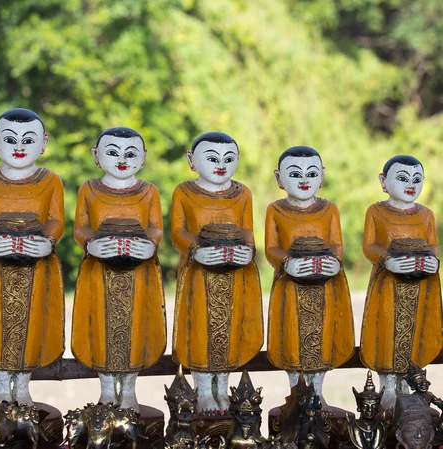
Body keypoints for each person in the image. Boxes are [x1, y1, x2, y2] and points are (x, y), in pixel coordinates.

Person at [0, 108, 64, 405]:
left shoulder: (51, 181)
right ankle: (0, 388)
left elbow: (56, 220)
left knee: (32, 324)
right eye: (10, 139)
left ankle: (22, 388)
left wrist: (48, 241)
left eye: (28, 140)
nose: (19, 147)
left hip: (36, 264)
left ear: (43, 143)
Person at [71, 127, 166, 411]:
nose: (122, 159)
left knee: (136, 328)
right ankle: (106, 391)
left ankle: (129, 392)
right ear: (96, 156)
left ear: (143, 158)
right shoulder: (89, 189)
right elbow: (81, 227)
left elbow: (156, 228)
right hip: (99, 274)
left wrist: (150, 245)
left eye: (130, 153)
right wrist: (89, 243)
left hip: (139, 273)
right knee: (99, 329)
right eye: (112, 152)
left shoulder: (149, 191)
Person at [171, 132, 262, 413]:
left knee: (230, 329)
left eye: (229, 158)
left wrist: (248, 249)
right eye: (211, 158)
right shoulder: (184, 192)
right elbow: (178, 232)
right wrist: (196, 249)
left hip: (234, 273)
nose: (221, 165)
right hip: (200, 274)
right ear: (192, 160)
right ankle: (202, 391)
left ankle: (222, 389)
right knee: (200, 328)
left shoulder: (242, 193)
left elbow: (247, 229)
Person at [265, 146, 354, 402]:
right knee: (292, 339)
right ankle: (296, 392)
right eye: (295, 174)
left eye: (312, 173)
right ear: (279, 178)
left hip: (324, 284)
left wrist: (335, 261)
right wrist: (286, 263)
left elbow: (336, 243)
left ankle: (317, 392)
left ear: (322, 175)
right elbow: (271, 248)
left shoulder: (329, 209)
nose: (304, 180)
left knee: (323, 338)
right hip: (291, 286)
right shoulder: (276, 210)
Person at [360, 155, 442, 412]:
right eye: (403, 179)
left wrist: (432, 262)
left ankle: (409, 388)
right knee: (387, 334)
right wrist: (387, 260)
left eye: (417, 180)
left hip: (419, 287)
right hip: (389, 287)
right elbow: (369, 246)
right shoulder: (376, 211)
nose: (411, 185)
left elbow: (432, 247)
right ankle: (387, 390)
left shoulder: (426, 215)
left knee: (415, 336)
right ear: (384, 182)